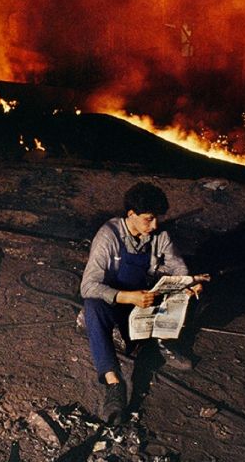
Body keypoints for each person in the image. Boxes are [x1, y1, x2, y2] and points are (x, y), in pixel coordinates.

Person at [80, 182, 204, 425]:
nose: (154, 225)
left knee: (193, 292)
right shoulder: (109, 236)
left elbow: (180, 269)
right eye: (148, 219)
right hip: (117, 301)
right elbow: (88, 286)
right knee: (92, 306)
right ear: (131, 215)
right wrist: (128, 297)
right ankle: (114, 385)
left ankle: (165, 341)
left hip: (146, 302)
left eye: (156, 218)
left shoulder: (160, 236)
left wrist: (188, 284)